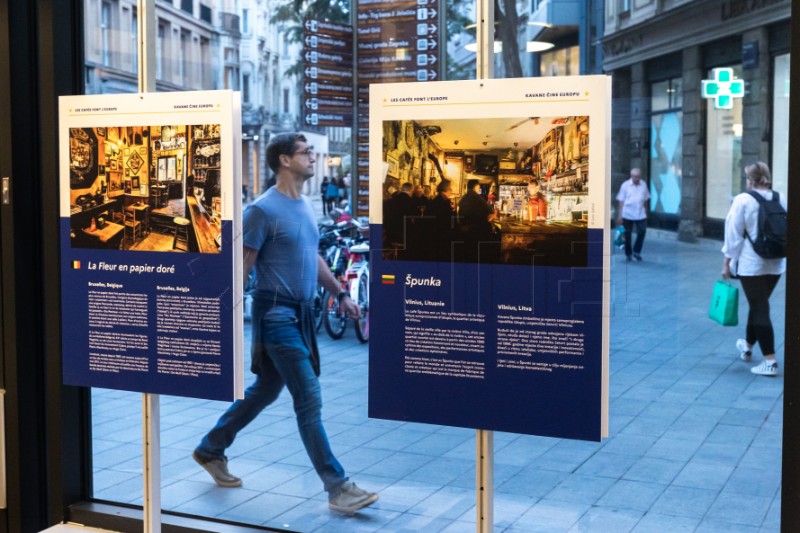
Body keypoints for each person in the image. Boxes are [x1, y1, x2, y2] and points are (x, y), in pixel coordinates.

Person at [192, 133, 379, 514]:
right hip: (275, 314)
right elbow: (242, 267)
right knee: (308, 398)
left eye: (311, 151)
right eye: (305, 152)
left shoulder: (307, 205)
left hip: (302, 314)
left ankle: (211, 448)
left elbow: (312, 258)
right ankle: (338, 486)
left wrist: (341, 295)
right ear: (284, 160)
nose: (313, 157)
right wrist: (221, 316)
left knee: (266, 389)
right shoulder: (262, 210)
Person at [721, 161, 786, 376]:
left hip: (752, 262)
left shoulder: (743, 200)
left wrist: (727, 262)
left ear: (750, 179)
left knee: (759, 308)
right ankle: (747, 347)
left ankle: (770, 361)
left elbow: (733, 233)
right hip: (776, 262)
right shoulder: (780, 198)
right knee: (758, 304)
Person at [616, 168, 650, 261]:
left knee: (642, 231)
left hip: (640, 213)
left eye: (639, 177)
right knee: (627, 234)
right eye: (635, 177)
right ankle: (628, 254)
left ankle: (636, 251)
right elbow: (621, 201)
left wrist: (645, 212)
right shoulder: (625, 185)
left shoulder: (643, 185)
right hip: (627, 213)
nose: (637, 179)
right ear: (631, 176)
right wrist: (620, 215)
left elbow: (646, 199)